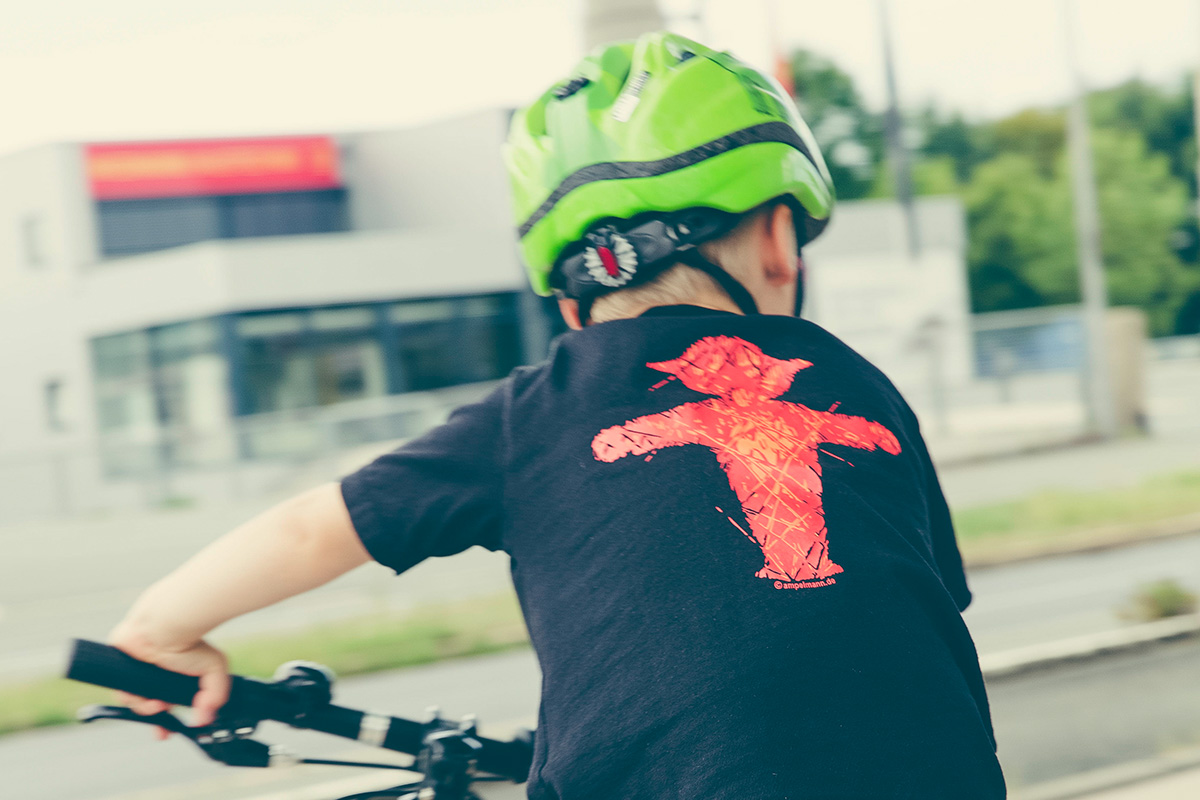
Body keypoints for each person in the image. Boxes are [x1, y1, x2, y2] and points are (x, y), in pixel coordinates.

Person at [109, 32, 1006, 799]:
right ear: (779, 241)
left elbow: (314, 529)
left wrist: (158, 631)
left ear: (571, 297)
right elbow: (935, 600)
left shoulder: (531, 416)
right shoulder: (856, 380)